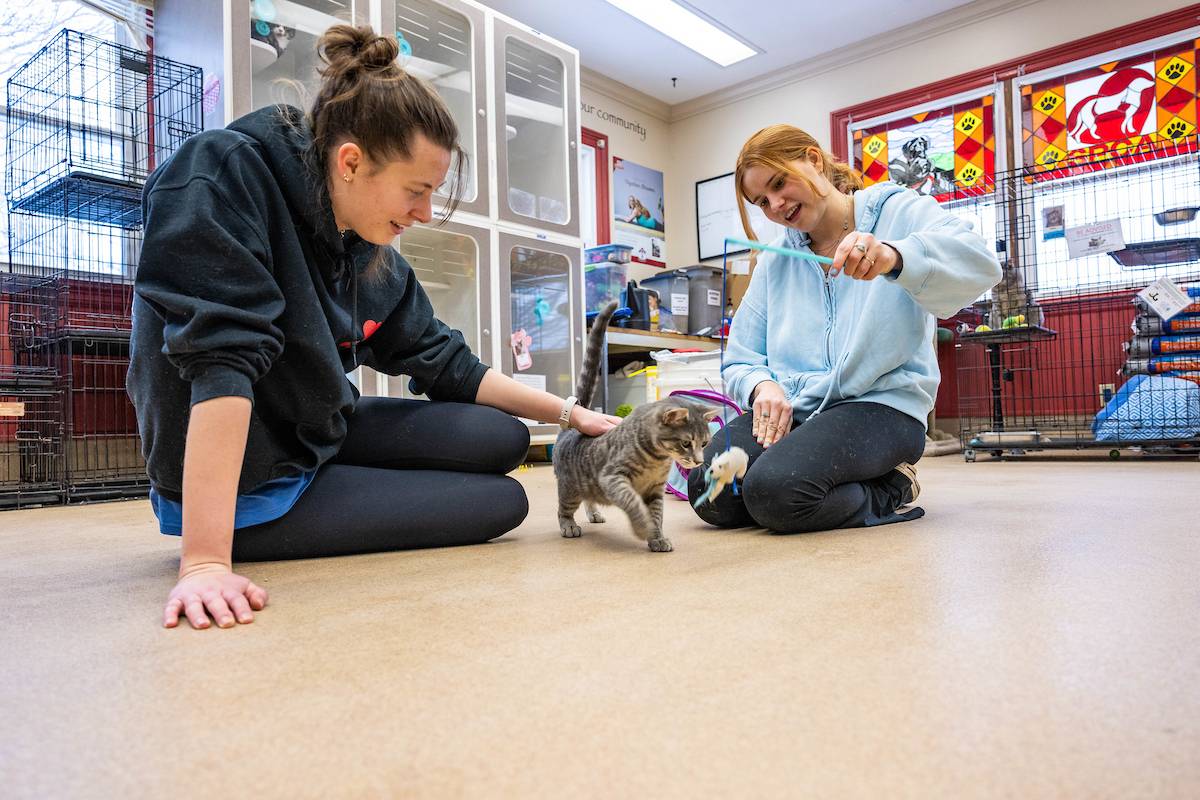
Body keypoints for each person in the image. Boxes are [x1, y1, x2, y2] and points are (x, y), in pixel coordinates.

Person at [129, 25, 619, 631]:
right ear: (351, 161)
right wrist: (205, 562)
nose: (425, 213)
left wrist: (570, 414)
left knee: (502, 438)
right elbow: (221, 365)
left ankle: (346, 484)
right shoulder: (222, 175)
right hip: (249, 476)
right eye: (416, 191)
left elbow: (447, 361)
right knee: (503, 501)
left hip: (313, 427)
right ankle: (247, 524)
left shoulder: (363, 244)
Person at [689, 124, 1000, 533]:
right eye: (762, 201)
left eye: (780, 183)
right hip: (801, 408)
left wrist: (895, 256)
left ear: (813, 160)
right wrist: (763, 387)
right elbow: (741, 357)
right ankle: (797, 484)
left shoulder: (897, 211)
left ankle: (892, 485)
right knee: (708, 492)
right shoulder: (776, 259)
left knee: (774, 492)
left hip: (882, 406)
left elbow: (980, 262)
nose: (776, 205)